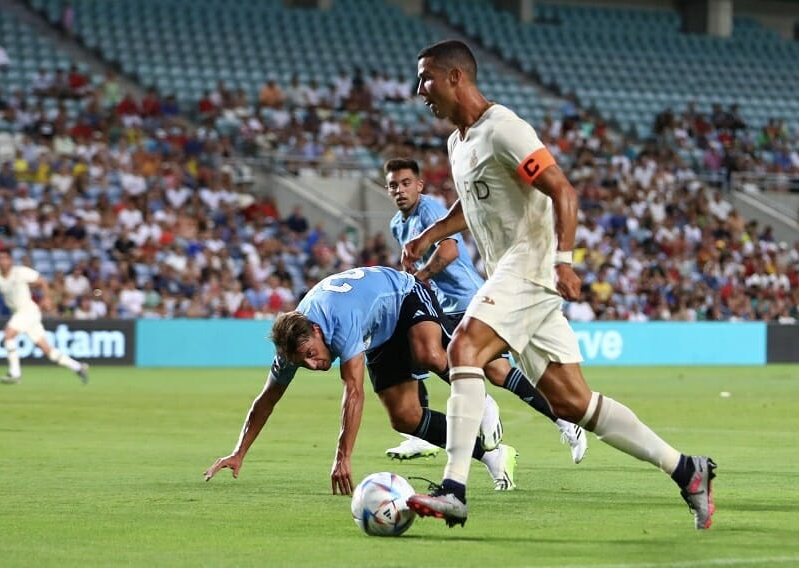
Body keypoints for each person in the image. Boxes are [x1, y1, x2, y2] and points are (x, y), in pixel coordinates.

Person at [402, 40, 716, 530]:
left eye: (425, 78)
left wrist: (564, 261)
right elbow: (472, 203)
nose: (418, 89)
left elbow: (561, 188)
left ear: (456, 77)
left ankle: (454, 487)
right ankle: (686, 469)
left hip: (531, 265)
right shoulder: (458, 143)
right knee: (574, 402)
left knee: (462, 347)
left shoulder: (504, 129)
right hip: (512, 273)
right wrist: (430, 234)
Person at [204, 266, 517, 494]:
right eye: (304, 362)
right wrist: (239, 451)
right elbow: (267, 400)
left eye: (311, 354)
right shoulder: (292, 347)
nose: (313, 365)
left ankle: (484, 402)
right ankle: (491, 455)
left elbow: (354, 391)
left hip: (405, 294)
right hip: (380, 329)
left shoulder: (340, 320)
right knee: (405, 417)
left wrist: (343, 457)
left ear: (316, 330)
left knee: (430, 354)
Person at [383, 157, 587, 464]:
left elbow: (449, 251)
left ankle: (466, 416)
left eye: (406, 183)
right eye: (393, 185)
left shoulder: (430, 209)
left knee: (419, 346)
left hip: (465, 298)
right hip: (443, 303)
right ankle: (564, 418)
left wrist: (420, 276)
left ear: (419, 185)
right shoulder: (398, 224)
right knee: (498, 371)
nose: (400, 190)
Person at [0, 248, 88, 384]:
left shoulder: (20, 272)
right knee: (47, 350)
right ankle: (77, 366)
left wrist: (46, 298)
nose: (2, 261)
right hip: (19, 313)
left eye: (5, 258)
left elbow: (42, 281)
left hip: (28, 310)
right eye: (0, 258)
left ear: (10, 260)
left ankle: (15, 373)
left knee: (9, 335)